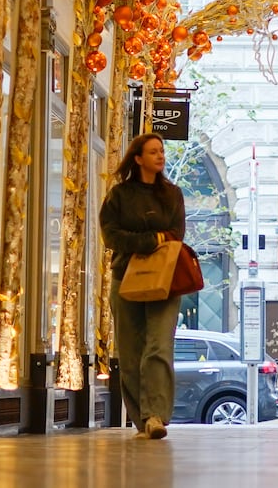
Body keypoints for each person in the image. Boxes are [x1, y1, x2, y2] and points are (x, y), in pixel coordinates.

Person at [98, 132, 186, 440]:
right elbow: (111, 237)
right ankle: (141, 419)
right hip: (126, 278)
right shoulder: (119, 195)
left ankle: (155, 416)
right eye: (153, 152)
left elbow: (176, 234)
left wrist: (144, 241)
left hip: (166, 280)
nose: (160, 156)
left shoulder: (172, 195)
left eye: (161, 151)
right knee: (131, 351)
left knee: (159, 347)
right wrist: (152, 239)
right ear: (138, 159)